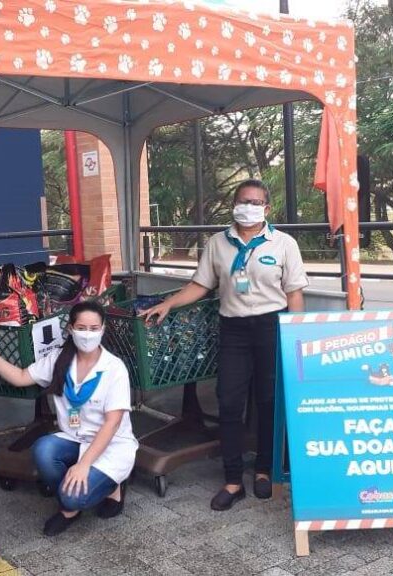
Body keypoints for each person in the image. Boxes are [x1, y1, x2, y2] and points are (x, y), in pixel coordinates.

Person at [140, 179, 308, 511]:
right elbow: (200, 285)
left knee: (268, 402)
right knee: (228, 402)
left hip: (272, 327)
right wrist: (169, 303)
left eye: (256, 201)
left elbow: (295, 294)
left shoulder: (283, 244)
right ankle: (232, 480)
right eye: (244, 200)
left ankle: (263, 470)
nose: (249, 206)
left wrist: (295, 335)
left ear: (267, 208)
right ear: (234, 204)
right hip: (233, 330)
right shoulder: (217, 243)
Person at [0, 301, 138, 535]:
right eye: (82, 327)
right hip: (75, 438)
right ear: (70, 329)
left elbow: (112, 423)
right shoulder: (59, 359)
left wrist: (83, 465)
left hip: (110, 445)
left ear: (103, 329)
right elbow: (21, 377)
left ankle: (111, 487)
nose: (88, 334)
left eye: (94, 328)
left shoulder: (114, 369)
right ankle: (70, 507)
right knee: (43, 449)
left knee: (72, 496)